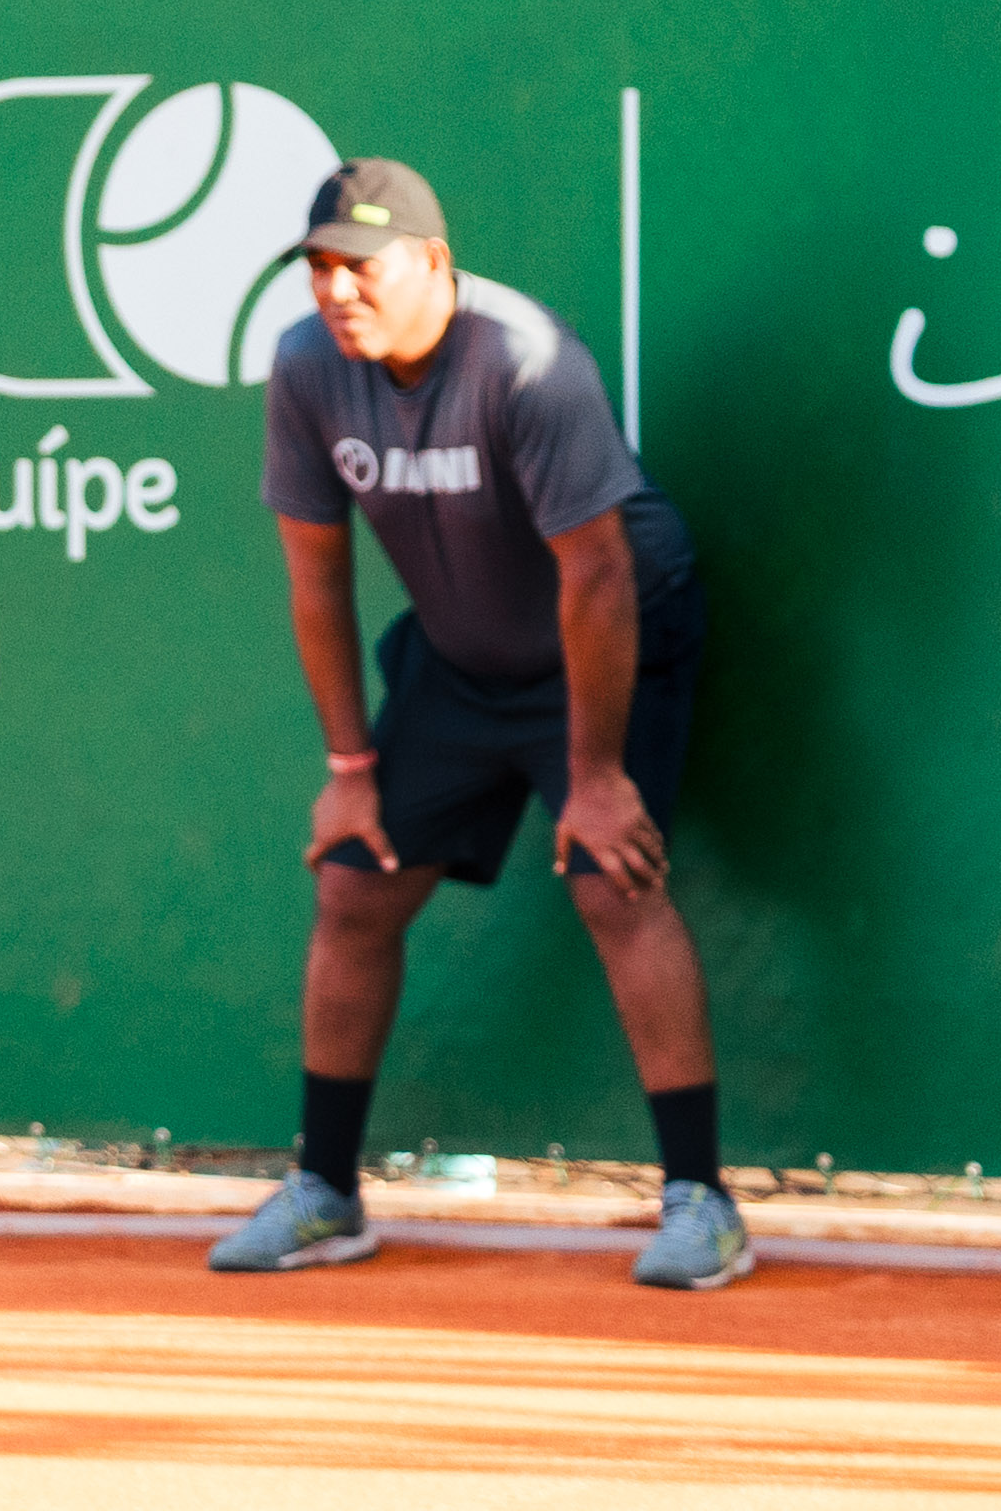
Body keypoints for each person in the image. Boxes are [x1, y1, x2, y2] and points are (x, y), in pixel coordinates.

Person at [209, 157, 745, 1291]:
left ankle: (702, 1200)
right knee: (353, 879)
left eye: (361, 266)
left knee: (613, 879)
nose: (337, 291)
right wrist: (351, 765)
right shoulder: (308, 371)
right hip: (462, 654)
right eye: (318, 269)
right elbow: (317, 576)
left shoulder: (527, 363)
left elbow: (596, 574)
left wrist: (595, 772)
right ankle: (326, 1192)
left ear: (434, 264)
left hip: (605, 635)